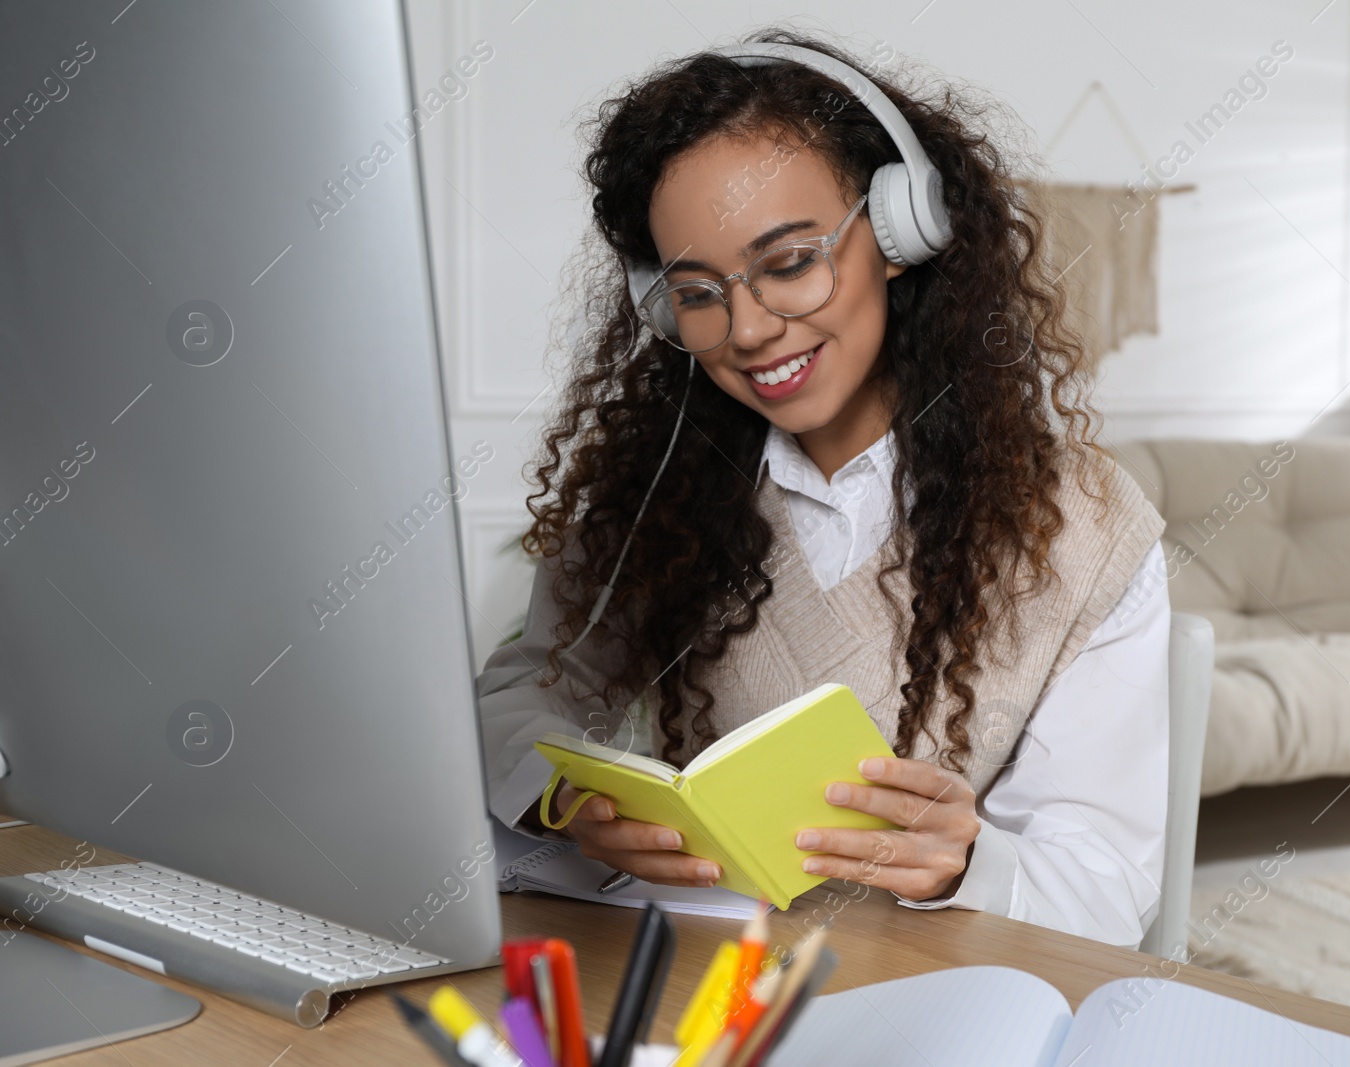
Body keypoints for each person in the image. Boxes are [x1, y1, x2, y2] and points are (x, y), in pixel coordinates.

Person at [474, 27, 1171, 948]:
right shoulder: (656, 496)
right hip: (712, 991)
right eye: (697, 292)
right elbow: (516, 698)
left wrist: (966, 862)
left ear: (897, 233)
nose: (749, 328)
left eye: (791, 262)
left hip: (948, 996)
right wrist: (563, 797)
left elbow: (1108, 890)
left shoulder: (1086, 526)